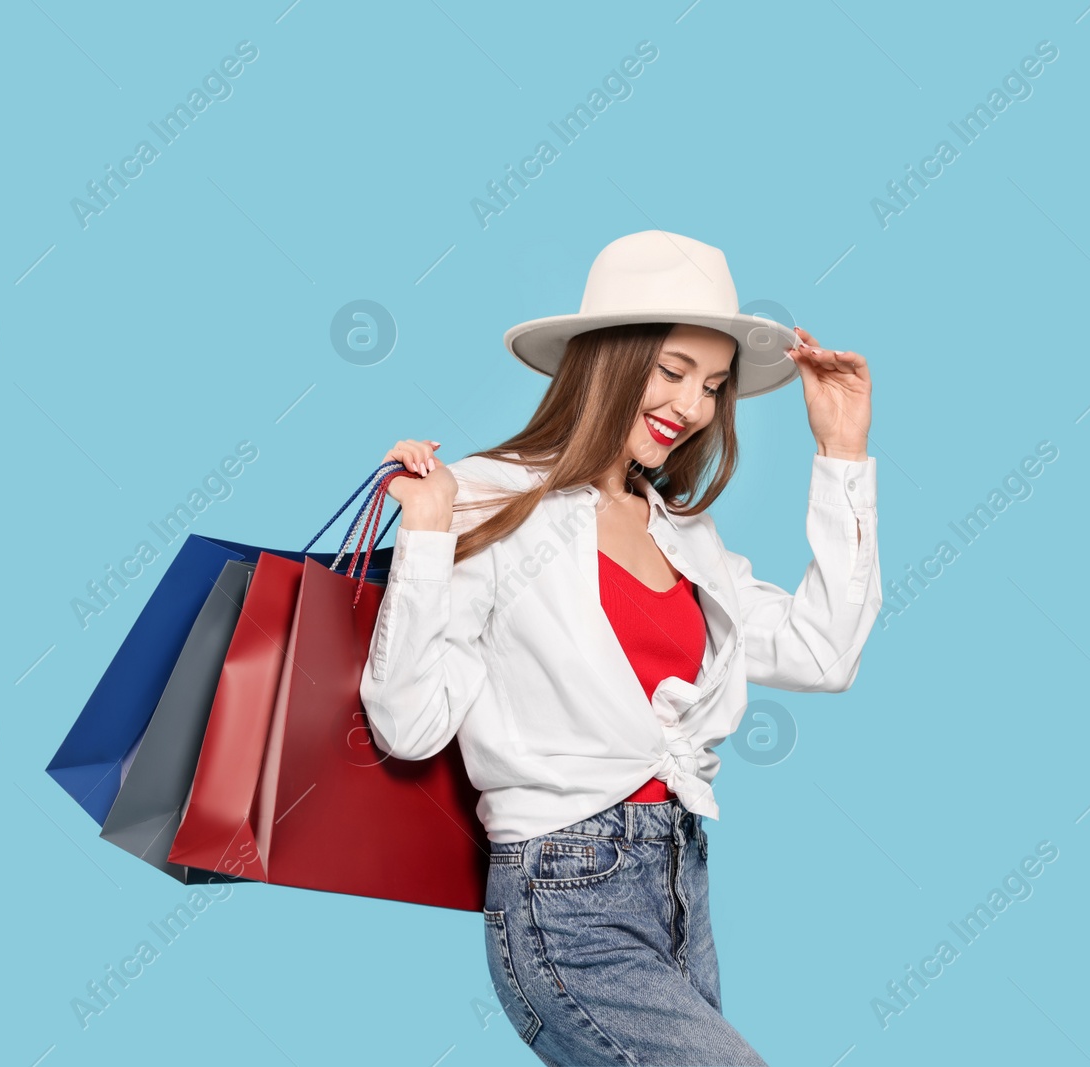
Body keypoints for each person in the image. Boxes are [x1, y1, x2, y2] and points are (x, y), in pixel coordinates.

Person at [359, 230, 881, 1065]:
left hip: (681, 888)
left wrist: (844, 452)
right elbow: (407, 723)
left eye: (713, 385)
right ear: (606, 359)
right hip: (563, 898)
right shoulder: (493, 500)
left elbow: (825, 651)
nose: (694, 405)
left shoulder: (685, 536)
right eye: (671, 370)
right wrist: (425, 531)